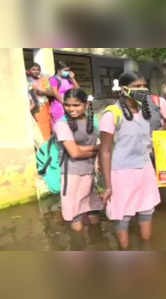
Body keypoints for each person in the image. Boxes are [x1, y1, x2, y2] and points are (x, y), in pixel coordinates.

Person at [99, 72, 161, 250]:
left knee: (147, 210)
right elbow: (105, 151)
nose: (142, 90)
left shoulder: (144, 111)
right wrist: (108, 185)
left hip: (145, 169)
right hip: (121, 173)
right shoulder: (112, 114)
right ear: (124, 89)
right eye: (137, 86)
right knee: (123, 216)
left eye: (144, 85)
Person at [53, 88, 104, 249]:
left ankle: (98, 247)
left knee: (94, 210)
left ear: (85, 104)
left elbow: (80, 149)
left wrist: (90, 150)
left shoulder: (93, 120)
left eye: (76, 105)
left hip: (92, 172)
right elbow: (74, 153)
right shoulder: (61, 124)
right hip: (72, 174)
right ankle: (80, 250)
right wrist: (98, 149)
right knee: (76, 215)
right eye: (67, 105)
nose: (71, 109)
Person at [26, 63, 53, 141]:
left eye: (38, 70)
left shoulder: (44, 80)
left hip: (43, 106)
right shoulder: (25, 80)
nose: (36, 71)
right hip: (32, 107)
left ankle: (46, 145)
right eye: (33, 69)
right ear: (29, 70)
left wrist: (42, 92)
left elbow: (51, 92)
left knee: (46, 128)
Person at [49, 61, 80, 127]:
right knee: (61, 127)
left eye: (68, 70)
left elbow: (78, 89)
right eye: (65, 70)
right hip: (59, 107)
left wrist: (73, 78)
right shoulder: (53, 79)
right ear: (58, 70)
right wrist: (65, 103)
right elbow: (55, 93)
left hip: (70, 105)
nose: (68, 72)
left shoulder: (68, 79)